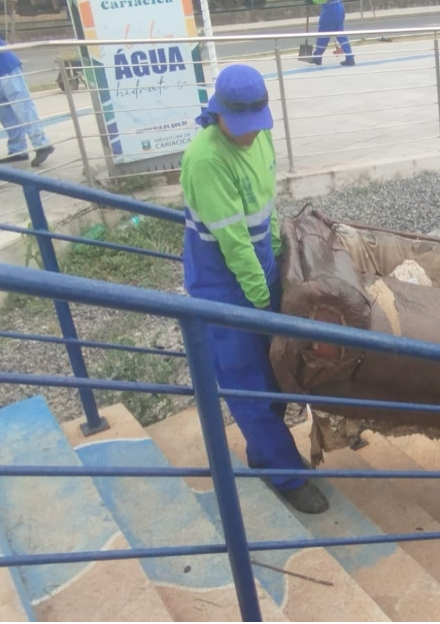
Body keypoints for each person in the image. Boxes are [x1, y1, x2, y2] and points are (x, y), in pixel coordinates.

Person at [181, 64, 329, 515]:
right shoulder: (207, 160)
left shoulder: (259, 136)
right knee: (246, 382)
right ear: (217, 114)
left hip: (259, 261)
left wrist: (283, 257)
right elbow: (233, 243)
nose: (248, 135)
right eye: (238, 126)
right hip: (221, 282)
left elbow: (263, 209)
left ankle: (265, 451)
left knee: (274, 370)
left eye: (254, 126)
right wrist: (264, 303)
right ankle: (286, 474)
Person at [0, 20, 53, 166]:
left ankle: (42, 144)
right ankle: (17, 150)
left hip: (6, 68)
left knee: (23, 108)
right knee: (5, 115)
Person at [310, 0, 356, 66]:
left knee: (323, 32)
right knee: (340, 33)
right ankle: (349, 57)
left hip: (330, 9)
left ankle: (317, 56)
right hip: (339, 8)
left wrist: (313, 1)